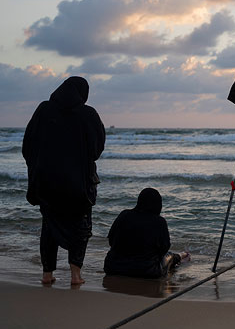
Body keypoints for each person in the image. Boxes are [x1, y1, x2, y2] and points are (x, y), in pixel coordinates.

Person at [22, 76, 105, 285]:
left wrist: (40, 168)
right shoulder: (88, 114)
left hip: (47, 184)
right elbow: (96, 149)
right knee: (81, 227)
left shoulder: (43, 110)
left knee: (49, 226)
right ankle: (76, 276)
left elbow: (28, 145)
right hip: (79, 185)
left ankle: (47, 275)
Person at [104, 188, 189, 279]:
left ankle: (181, 256)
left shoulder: (124, 215)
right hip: (146, 271)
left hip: (113, 268)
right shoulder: (159, 221)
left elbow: (111, 241)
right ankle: (182, 255)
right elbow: (164, 248)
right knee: (168, 256)